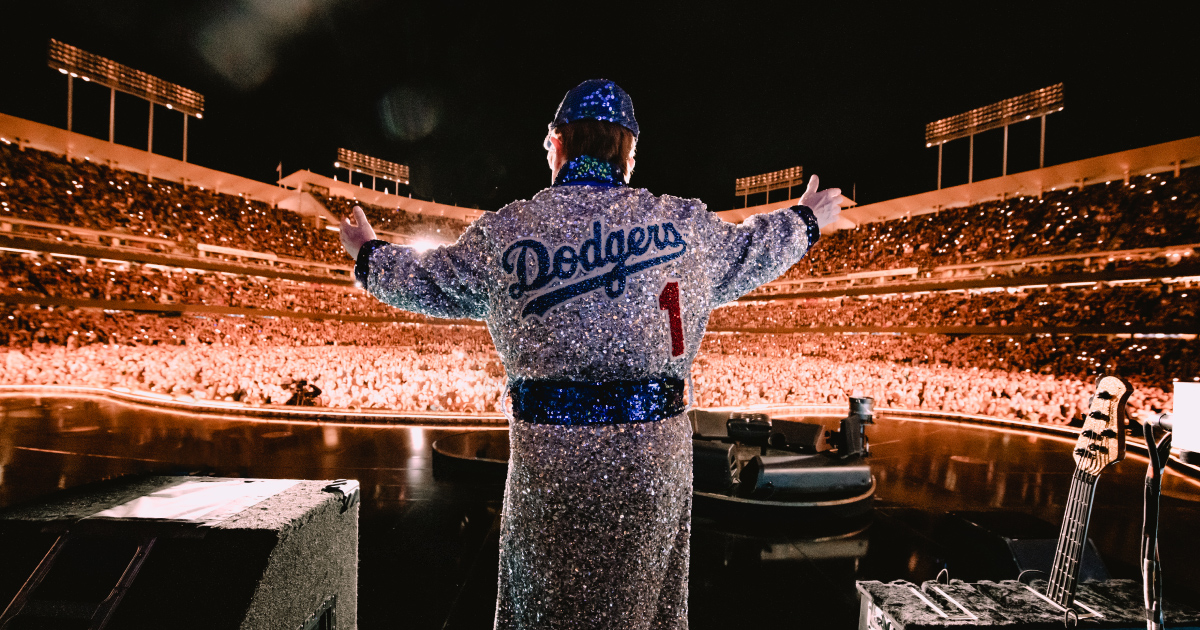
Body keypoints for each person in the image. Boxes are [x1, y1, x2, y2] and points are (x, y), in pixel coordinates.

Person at [339, 79, 843, 630]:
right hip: (652, 463)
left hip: (548, 459)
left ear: (555, 144)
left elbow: (427, 280)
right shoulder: (683, 227)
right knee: (642, 604)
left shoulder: (508, 233)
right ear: (630, 154)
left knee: (546, 604)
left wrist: (369, 255)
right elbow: (754, 247)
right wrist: (805, 219)